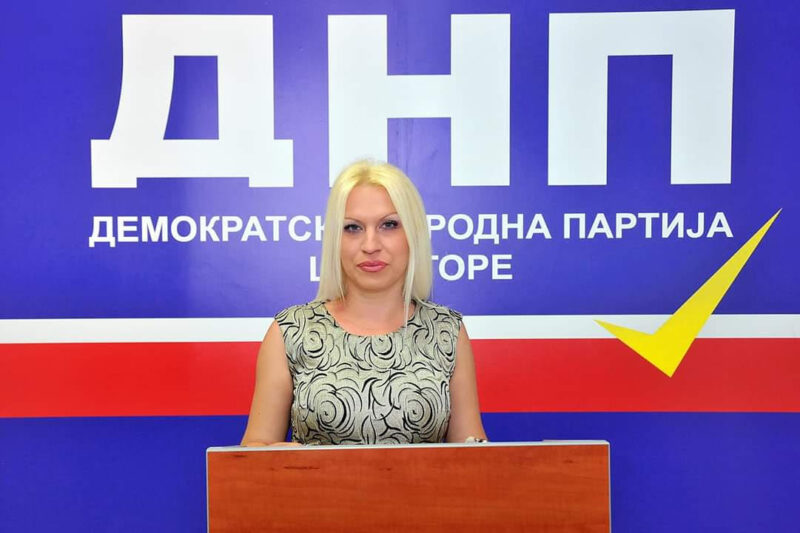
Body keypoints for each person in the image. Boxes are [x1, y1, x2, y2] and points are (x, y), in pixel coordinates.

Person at [241, 160, 487, 446]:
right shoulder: (291, 332)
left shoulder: (446, 331)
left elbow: (474, 457)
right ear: (335, 239)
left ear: (413, 234)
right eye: (353, 228)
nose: (370, 245)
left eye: (389, 225)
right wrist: (277, 458)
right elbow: (252, 453)